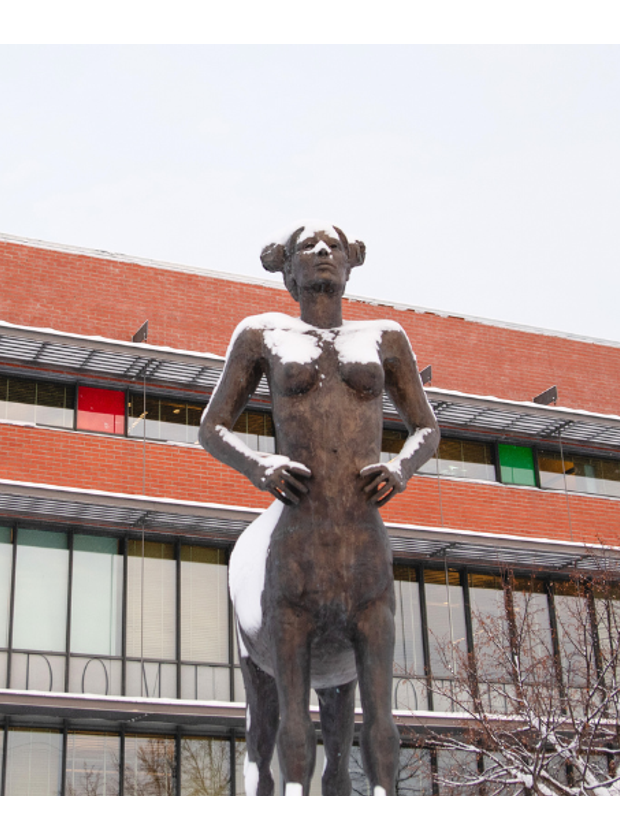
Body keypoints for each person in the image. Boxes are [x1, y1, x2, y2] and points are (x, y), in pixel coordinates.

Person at [199, 221, 439, 795]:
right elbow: (212, 427)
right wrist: (261, 466)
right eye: (309, 245)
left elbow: (426, 427)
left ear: (351, 263)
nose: (323, 251)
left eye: (334, 244)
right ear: (289, 268)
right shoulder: (261, 334)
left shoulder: (385, 338)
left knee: (381, 715)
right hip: (297, 536)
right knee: (289, 718)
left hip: (362, 535)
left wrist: (401, 468)